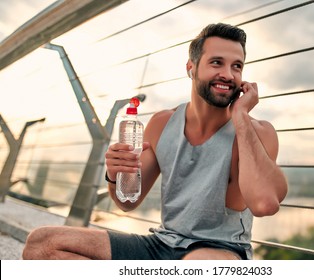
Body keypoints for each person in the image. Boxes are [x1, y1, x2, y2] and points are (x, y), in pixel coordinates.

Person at [23, 23, 287, 260]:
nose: (229, 74)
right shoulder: (162, 123)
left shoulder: (258, 132)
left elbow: (264, 203)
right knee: (41, 243)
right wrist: (115, 175)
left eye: (237, 66)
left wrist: (240, 116)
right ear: (191, 68)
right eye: (217, 62)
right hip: (161, 244)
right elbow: (127, 203)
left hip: (219, 252)